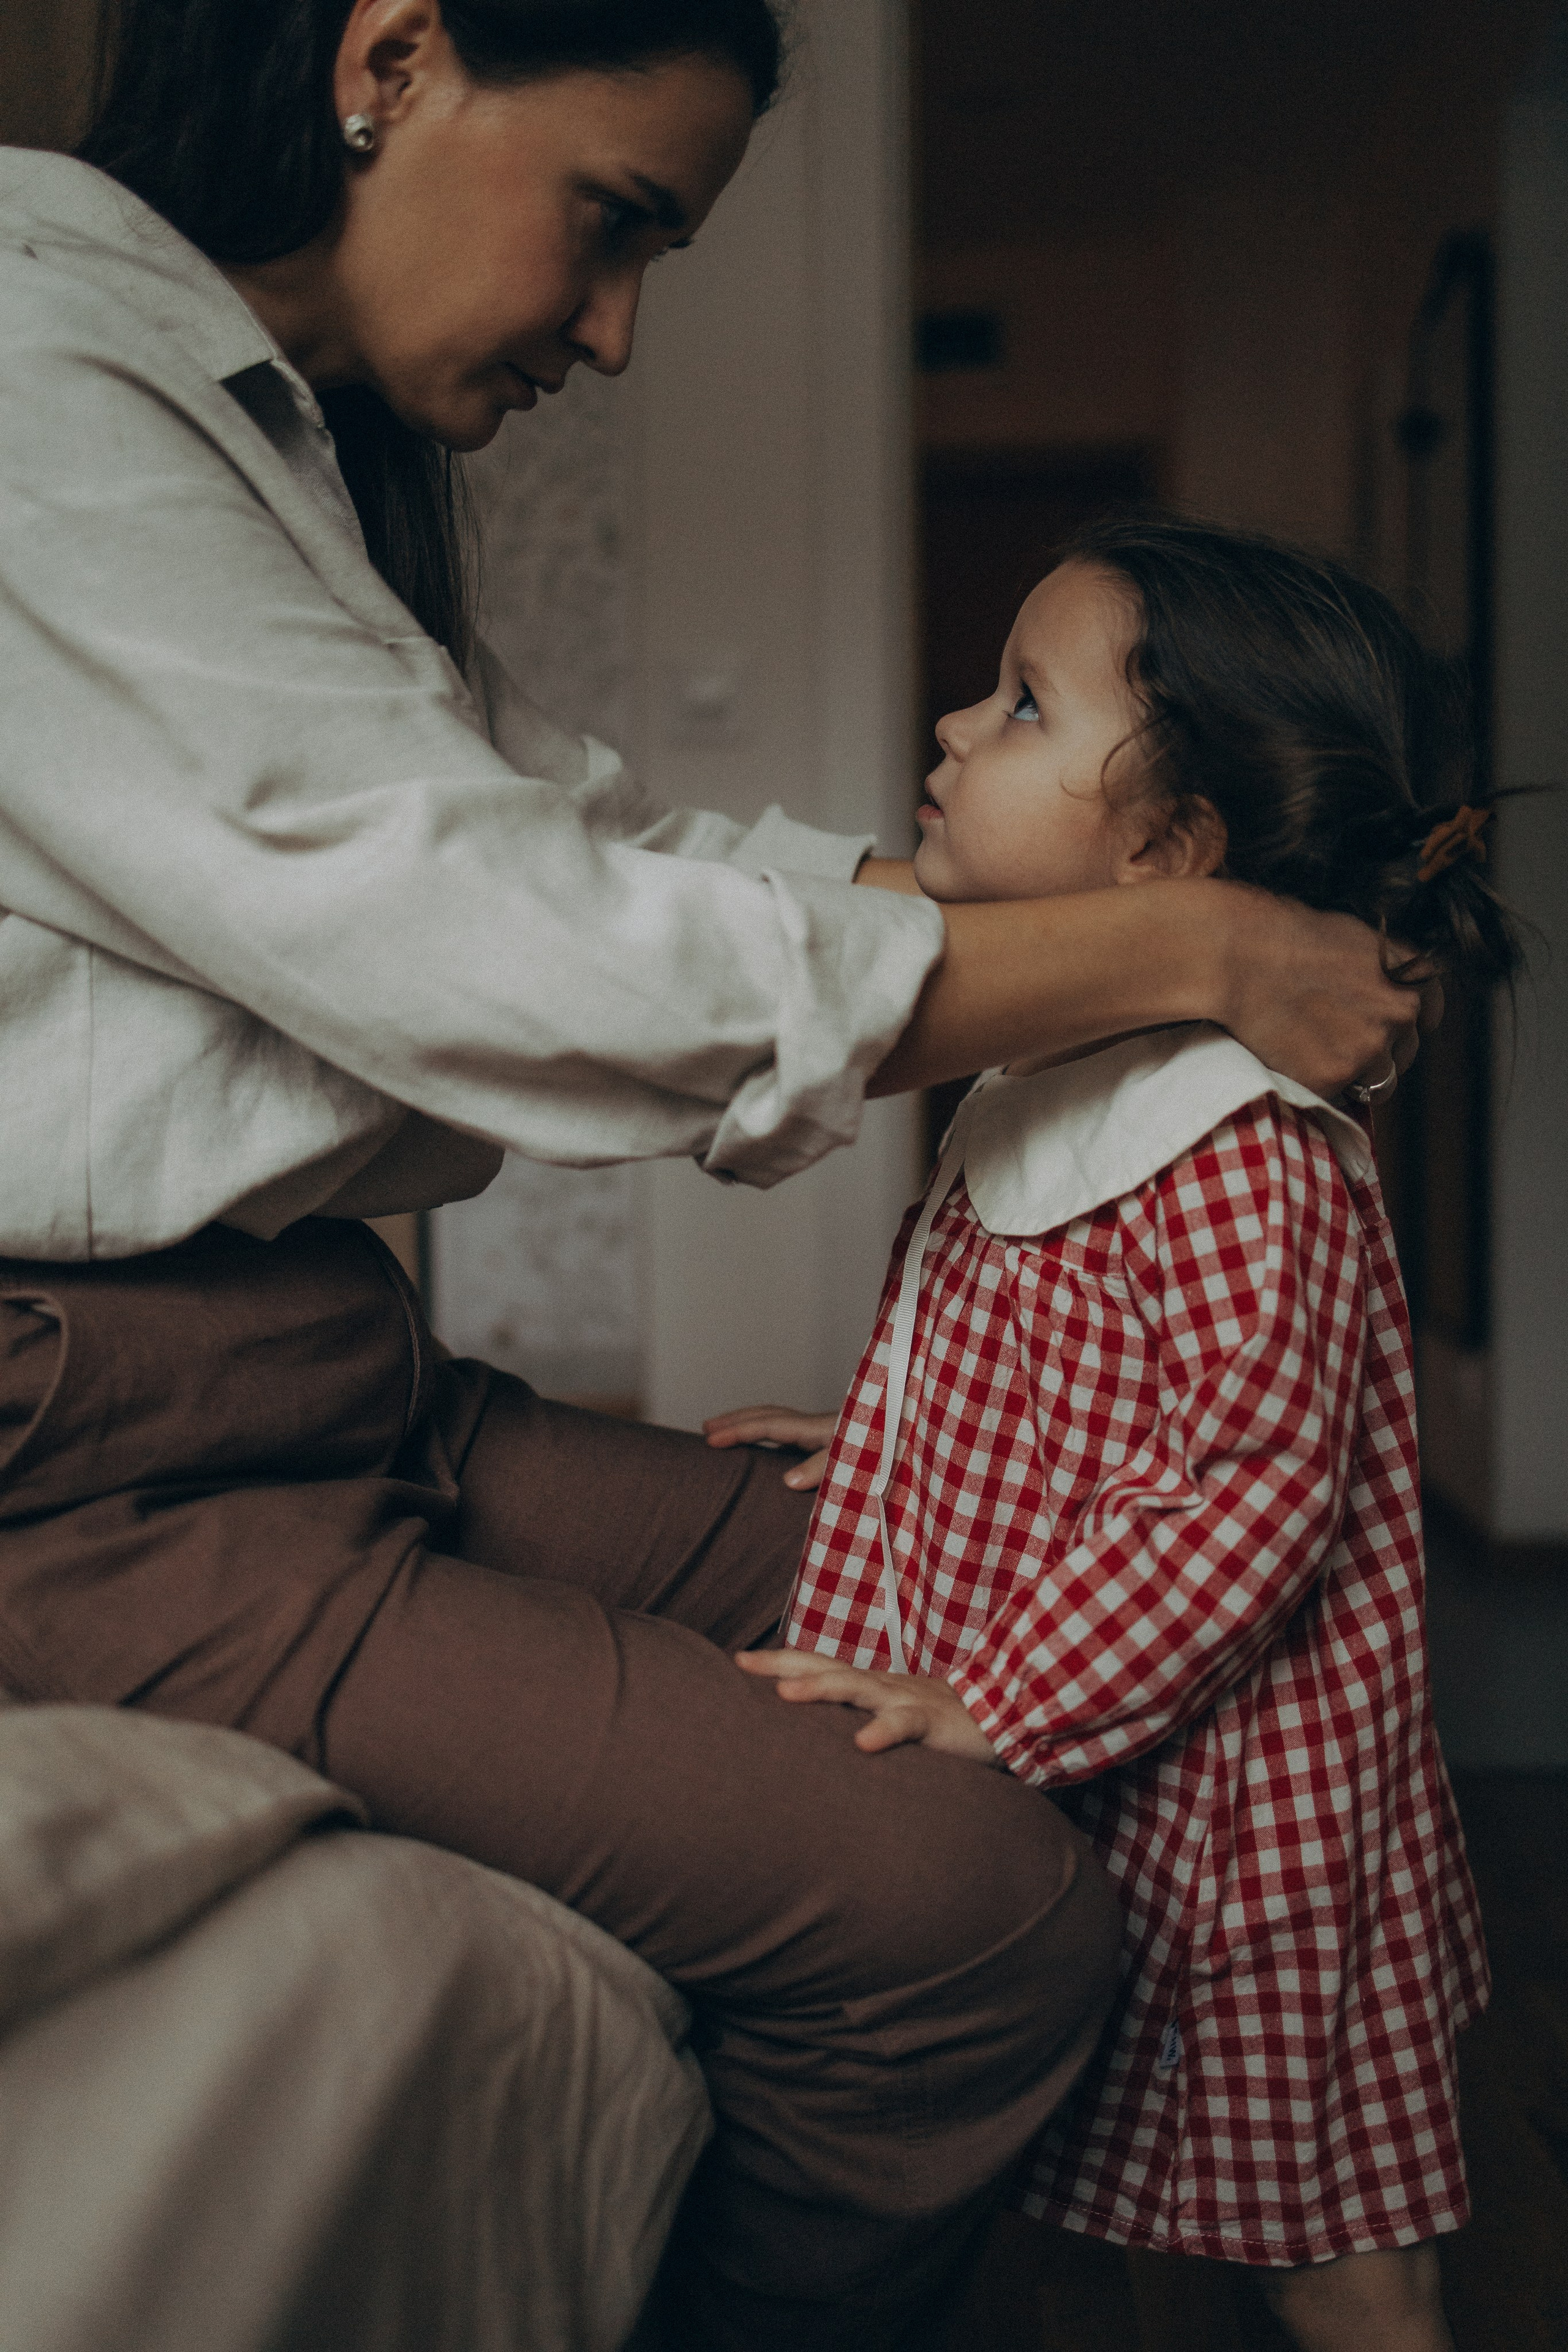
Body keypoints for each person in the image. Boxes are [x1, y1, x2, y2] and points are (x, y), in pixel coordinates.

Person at [0, 0, 1429, 2340]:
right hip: (106, 1469)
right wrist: (1169, 936)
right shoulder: (35, 374)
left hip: (326, 1382)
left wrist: (1157, 938)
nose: (619, 330)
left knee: (910, 1591)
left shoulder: (265, 448)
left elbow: (586, 840)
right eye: (615, 222)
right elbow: (504, 941)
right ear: (393, 53)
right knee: (975, 1911)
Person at [714, 518, 1514, 2351]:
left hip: (1238, 1816)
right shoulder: (1055, 1062)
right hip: (1122, 1766)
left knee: (1318, 2234)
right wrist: (894, 1431)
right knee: (1163, 2188)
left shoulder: (1240, 1147)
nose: (950, 723)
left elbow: (1247, 1486)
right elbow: (1073, 1366)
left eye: (1017, 707)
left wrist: (999, 1704)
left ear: (1170, 851)